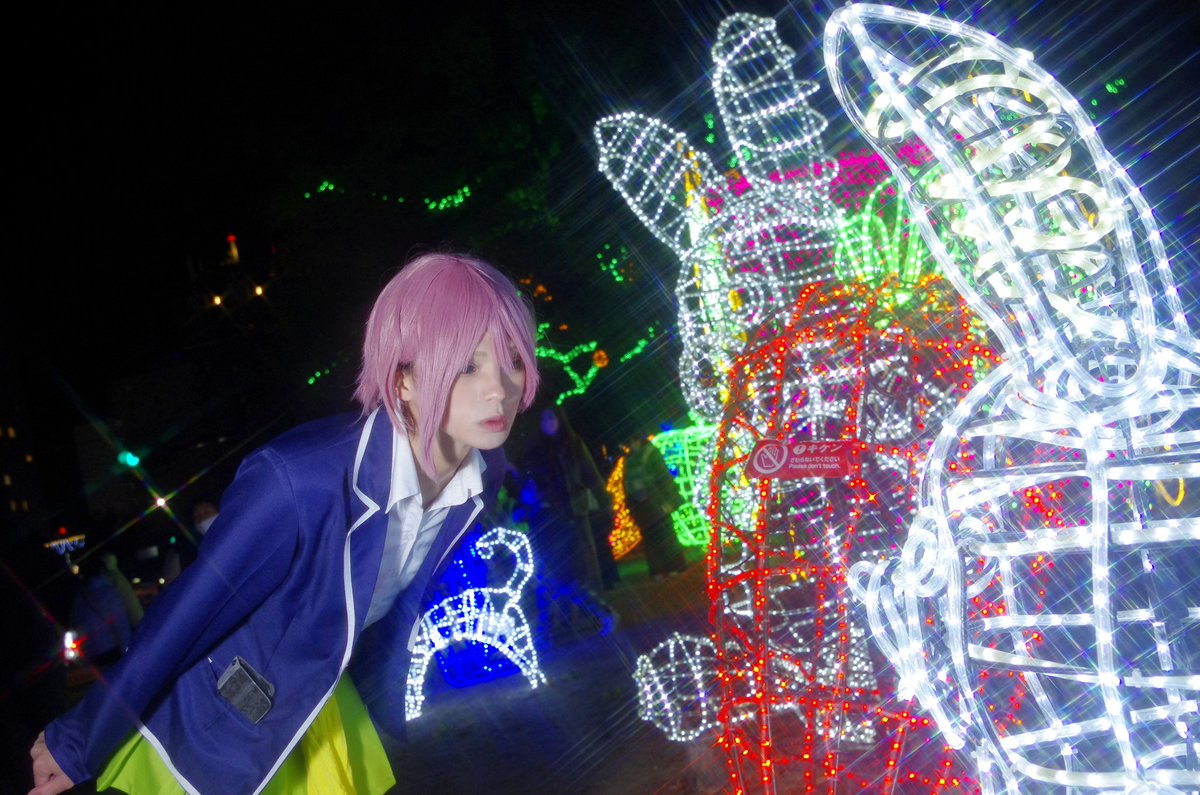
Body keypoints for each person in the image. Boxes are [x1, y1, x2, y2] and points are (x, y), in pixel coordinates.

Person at [29, 252, 539, 795]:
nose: (500, 388)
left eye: (511, 357)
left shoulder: (479, 476)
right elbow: (188, 612)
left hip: (320, 701)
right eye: (467, 365)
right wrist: (77, 740)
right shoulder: (300, 481)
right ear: (403, 380)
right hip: (216, 729)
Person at [520, 405, 618, 635]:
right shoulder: (539, 452)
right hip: (552, 515)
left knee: (584, 565)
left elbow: (590, 475)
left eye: (551, 418)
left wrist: (605, 502)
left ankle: (596, 614)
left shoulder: (573, 445)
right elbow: (534, 482)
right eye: (544, 419)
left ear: (560, 420)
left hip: (576, 511)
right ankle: (570, 619)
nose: (548, 423)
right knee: (562, 570)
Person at [623, 435, 688, 578]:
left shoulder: (635, 458)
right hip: (649, 503)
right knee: (658, 535)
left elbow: (663, 478)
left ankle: (665, 568)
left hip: (649, 502)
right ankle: (668, 567)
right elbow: (664, 477)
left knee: (659, 535)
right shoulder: (642, 455)